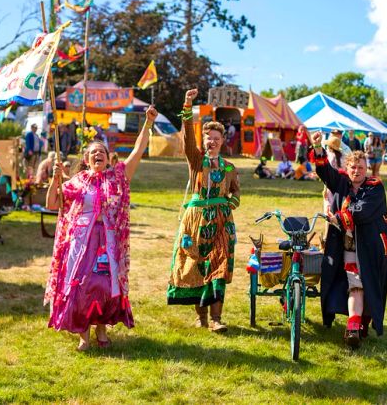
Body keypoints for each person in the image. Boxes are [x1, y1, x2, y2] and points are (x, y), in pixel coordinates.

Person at [44, 105, 158, 351]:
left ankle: (102, 329)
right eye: (93, 152)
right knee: (81, 284)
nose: (98, 155)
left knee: (104, 284)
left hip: (107, 240)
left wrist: (147, 124)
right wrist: (55, 181)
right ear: (86, 160)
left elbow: (138, 152)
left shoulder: (117, 177)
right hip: (80, 241)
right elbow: (53, 203)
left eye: (102, 152)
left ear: (108, 158)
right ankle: (84, 336)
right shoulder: (77, 181)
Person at [309, 132, 387, 348]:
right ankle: (353, 326)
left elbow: (361, 212)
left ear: (367, 169)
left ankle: (360, 324)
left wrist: (338, 217)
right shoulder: (342, 182)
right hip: (347, 245)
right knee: (355, 285)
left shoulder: (375, 187)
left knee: (369, 286)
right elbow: (326, 172)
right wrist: (317, 147)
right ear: (348, 167)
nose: (356, 171)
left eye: (361, 168)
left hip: (372, 247)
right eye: (353, 167)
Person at [167, 88, 240, 333]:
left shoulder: (229, 168)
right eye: (209, 137)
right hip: (196, 220)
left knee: (219, 265)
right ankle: (201, 317)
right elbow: (188, 138)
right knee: (196, 264)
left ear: (222, 141)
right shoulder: (197, 161)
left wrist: (229, 203)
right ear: (205, 140)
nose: (213, 141)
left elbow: (236, 193)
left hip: (221, 222)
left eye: (217, 138)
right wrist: (187, 106)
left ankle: (217, 319)